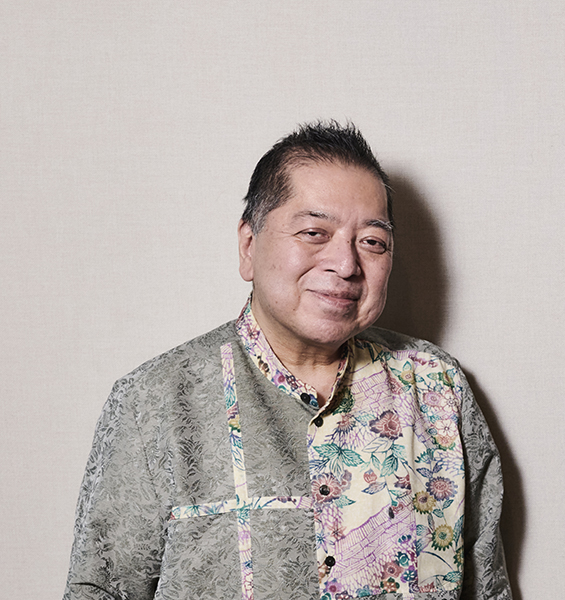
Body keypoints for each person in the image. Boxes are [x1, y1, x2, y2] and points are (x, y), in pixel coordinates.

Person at [65, 122, 512, 600]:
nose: (346, 265)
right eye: (314, 232)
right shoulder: (154, 402)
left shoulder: (437, 387)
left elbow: (487, 587)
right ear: (248, 245)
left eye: (372, 242)